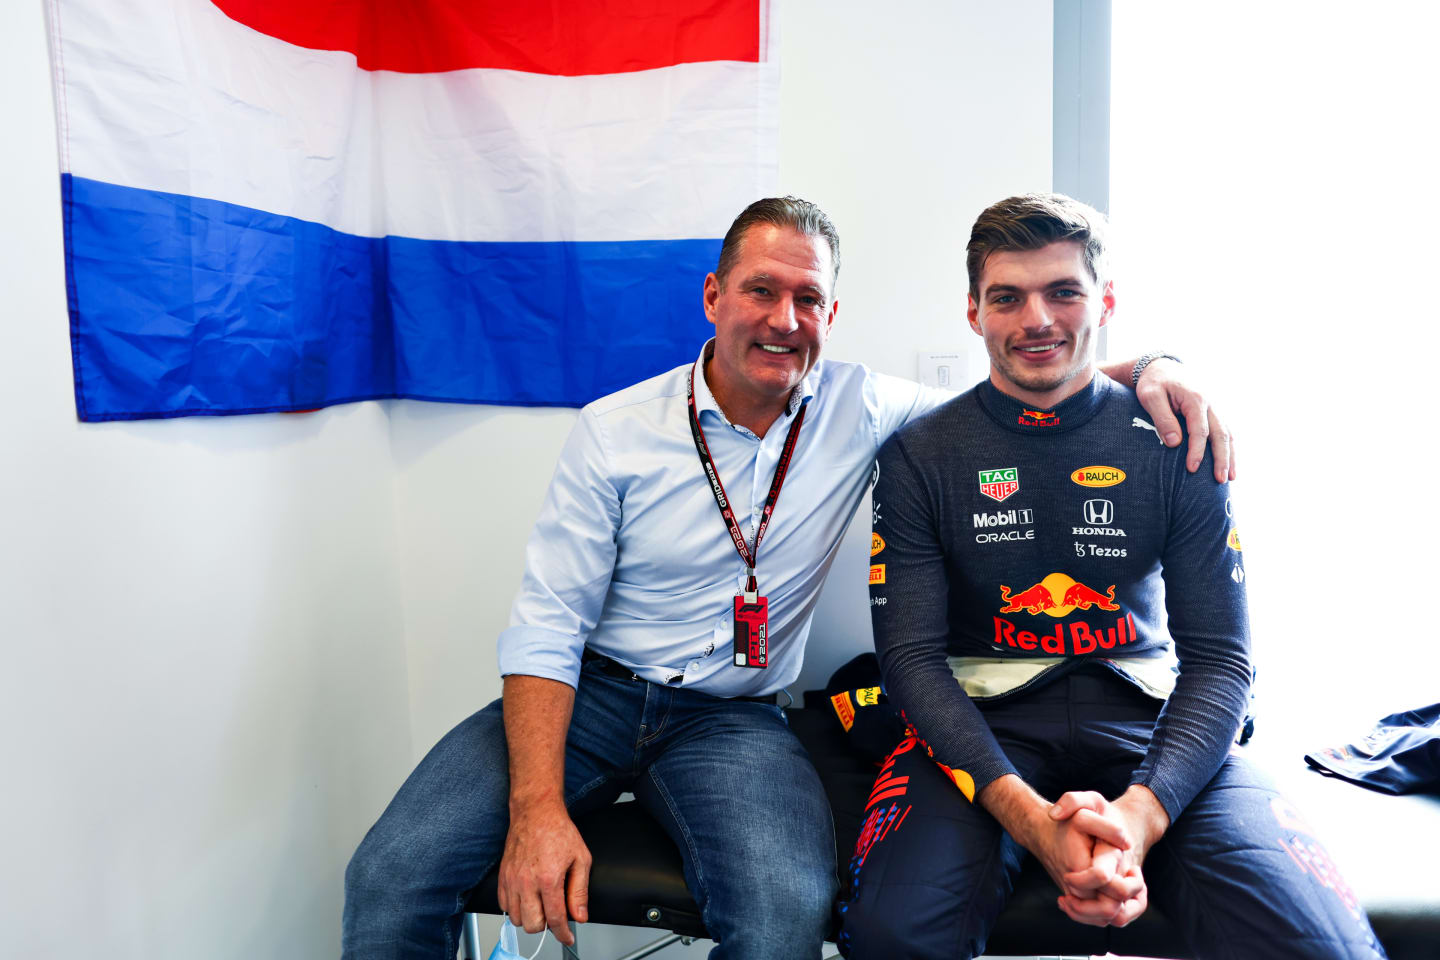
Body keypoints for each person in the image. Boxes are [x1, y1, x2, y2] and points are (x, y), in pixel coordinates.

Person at [342, 197, 1233, 960]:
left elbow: (1030, 383)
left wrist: (1158, 368)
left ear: (831, 315)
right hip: (593, 697)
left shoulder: (868, 409)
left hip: (733, 720)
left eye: (809, 297)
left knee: (784, 916)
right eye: (762, 290)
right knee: (390, 877)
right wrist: (536, 809)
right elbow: (546, 626)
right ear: (713, 296)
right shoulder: (614, 431)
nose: (784, 318)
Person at [839, 193, 1385, 959]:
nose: (1036, 319)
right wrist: (1035, 825)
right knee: (890, 939)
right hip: (983, 727)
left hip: (1152, 720)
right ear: (973, 313)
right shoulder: (920, 454)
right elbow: (910, 662)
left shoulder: (1175, 437)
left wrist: (1139, 815)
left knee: (1324, 947)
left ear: (1108, 301)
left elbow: (1224, 660)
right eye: (1008, 297)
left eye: (1063, 291)